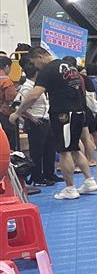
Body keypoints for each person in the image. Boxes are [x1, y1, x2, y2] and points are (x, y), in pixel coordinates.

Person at [11, 47, 97, 200]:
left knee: (64, 151)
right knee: (75, 149)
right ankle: (89, 180)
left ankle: (70, 188)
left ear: (39, 56)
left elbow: (34, 95)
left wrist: (18, 112)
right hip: (79, 111)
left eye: (34, 62)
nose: (35, 66)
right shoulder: (70, 67)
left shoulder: (48, 70)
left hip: (63, 114)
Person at [14, 58, 56, 186]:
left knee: (50, 148)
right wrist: (31, 117)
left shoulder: (38, 86)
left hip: (46, 119)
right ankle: (37, 177)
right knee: (37, 151)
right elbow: (17, 105)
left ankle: (49, 174)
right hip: (36, 121)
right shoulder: (26, 88)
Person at [0, 56, 19, 151]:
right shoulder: (6, 81)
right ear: (7, 66)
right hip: (4, 112)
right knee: (10, 138)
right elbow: (11, 99)